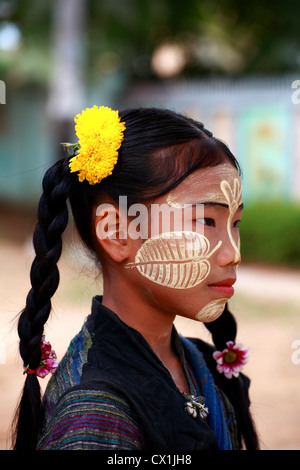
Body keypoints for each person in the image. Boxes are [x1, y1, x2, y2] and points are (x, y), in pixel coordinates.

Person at [12, 105, 259, 451]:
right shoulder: (93, 418)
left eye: (235, 224)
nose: (232, 253)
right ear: (115, 232)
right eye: (206, 221)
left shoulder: (196, 362)